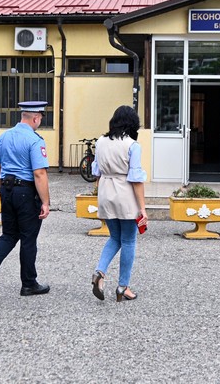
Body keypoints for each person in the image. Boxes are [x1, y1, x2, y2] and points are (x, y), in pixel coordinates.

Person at [0, 101, 51, 299]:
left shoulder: (3, 137)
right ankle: (28, 284)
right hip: (26, 193)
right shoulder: (35, 140)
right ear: (36, 118)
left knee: (8, 235)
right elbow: (39, 173)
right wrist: (45, 202)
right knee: (28, 238)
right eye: (40, 118)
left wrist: (4, 191)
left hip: (7, 190)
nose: (40, 121)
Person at [90, 105, 148, 302]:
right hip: (125, 193)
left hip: (106, 191)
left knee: (115, 237)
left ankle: (100, 271)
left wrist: (101, 194)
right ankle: (123, 286)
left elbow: (95, 172)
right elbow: (136, 179)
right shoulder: (132, 145)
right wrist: (142, 208)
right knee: (129, 240)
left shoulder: (100, 142)